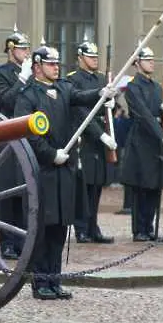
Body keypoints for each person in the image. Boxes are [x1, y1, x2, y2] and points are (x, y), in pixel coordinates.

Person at [14, 40, 114, 300]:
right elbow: (27, 133)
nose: (56, 68)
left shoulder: (64, 89)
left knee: (60, 228)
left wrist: (103, 92)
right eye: (50, 64)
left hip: (65, 169)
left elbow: (83, 97)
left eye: (57, 63)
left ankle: (54, 280)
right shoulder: (28, 95)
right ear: (37, 67)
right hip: (42, 170)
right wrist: (50, 154)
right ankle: (40, 282)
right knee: (43, 230)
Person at [119, 45, 163, 242]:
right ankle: (139, 229)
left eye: (153, 59)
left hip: (156, 140)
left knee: (154, 186)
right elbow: (143, 115)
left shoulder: (157, 87)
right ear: (137, 63)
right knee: (141, 188)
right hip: (141, 140)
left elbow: (162, 115)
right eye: (147, 59)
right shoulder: (133, 87)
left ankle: (150, 227)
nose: (152, 62)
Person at [66, 37, 116, 244]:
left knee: (96, 186)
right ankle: (81, 228)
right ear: (80, 58)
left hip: (99, 138)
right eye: (90, 56)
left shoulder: (102, 79)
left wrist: (112, 101)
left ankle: (93, 226)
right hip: (84, 138)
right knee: (83, 187)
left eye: (96, 57)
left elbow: (106, 105)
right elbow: (80, 112)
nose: (94, 60)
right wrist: (100, 134)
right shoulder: (73, 79)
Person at [0, 25, 32, 259]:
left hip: (25, 139)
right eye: (22, 48)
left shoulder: (31, 72)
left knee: (25, 192)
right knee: (6, 194)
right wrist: (22, 79)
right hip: (5, 139)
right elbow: (5, 101)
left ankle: (24, 239)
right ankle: (7, 242)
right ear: (11, 49)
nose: (26, 52)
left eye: (27, 48)